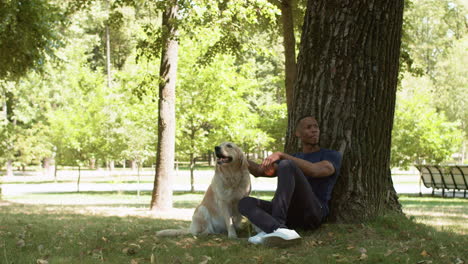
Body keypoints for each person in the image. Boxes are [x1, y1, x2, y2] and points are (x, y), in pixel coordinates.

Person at [238, 116, 342, 247]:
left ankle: (274, 228)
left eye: (316, 127)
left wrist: (282, 155)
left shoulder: (331, 155)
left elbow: (316, 170)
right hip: (289, 214)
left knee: (287, 165)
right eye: (309, 127)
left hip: (313, 212)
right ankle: (278, 229)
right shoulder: (296, 158)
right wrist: (238, 156)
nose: (314, 130)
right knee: (244, 202)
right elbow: (259, 171)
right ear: (297, 133)